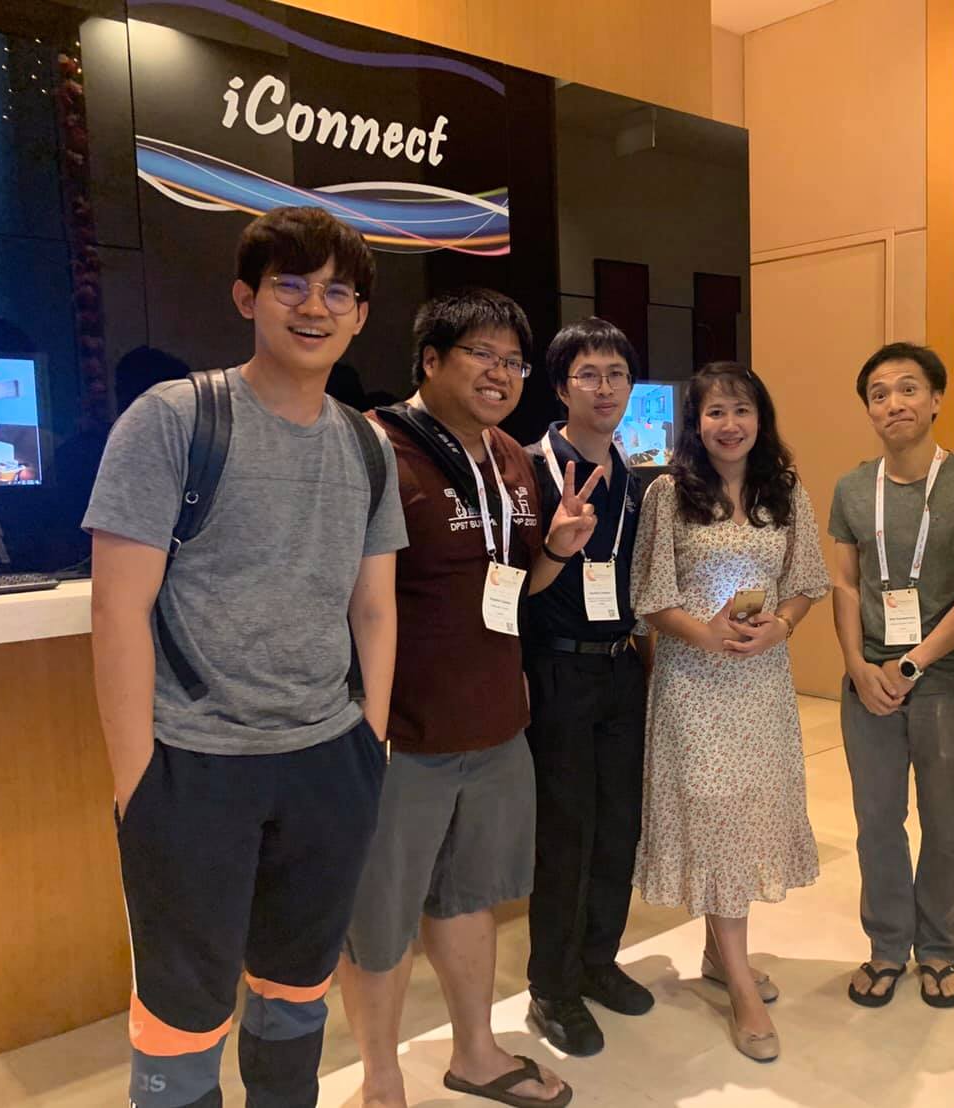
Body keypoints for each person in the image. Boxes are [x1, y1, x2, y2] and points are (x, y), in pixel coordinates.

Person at [83, 206, 407, 1108]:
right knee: (182, 1014)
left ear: (360, 316)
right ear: (246, 297)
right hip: (192, 766)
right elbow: (117, 608)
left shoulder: (366, 444)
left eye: (337, 291)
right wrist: (137, 779)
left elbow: (374, 606)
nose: (314, 306)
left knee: (297, 990)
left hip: (328, 760)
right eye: (290, 284)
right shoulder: (174, 419)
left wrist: (371, 742)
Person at [339, 289, 593, 1108]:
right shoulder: (374, 446)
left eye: (514, 361)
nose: (501, 373)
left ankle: (475, 1054)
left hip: (494, 726)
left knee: (470, 897)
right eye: (481, 353)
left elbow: (516, 587)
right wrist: (364, 727)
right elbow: (347, 597)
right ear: (430, 360)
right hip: (399, 737)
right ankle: (381, 1081)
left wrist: (557, 550)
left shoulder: (509, 456)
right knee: (380, 918)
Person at [630, 361, 829, 1062]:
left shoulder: (786, 491)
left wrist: (783, 626)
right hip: (694, 685)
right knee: (713, 814)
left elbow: (807, 580)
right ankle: (740, 983)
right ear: (695, 422)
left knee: (746, 810)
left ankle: (721, 956)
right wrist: (704, 634)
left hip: (761, 683)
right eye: (715, 411)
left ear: (760, 418)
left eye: (742, 409)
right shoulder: (668, 494)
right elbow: (650, 596)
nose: (729, 423)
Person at [827, 342, 954, 1012]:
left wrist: (913, 662)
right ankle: (889, 944)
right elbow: (843, 582)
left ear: (937, 398)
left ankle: (941, 948)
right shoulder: (851, 488)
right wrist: (857, 667)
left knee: (948, 821)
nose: (895, 403)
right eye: (880, 393)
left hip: (946, 677)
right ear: (869, 409)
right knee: (877, 820)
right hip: (868, 679)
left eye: (909, 388)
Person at [523, 318, 653, 1057]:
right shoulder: (529, 469)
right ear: (560, 387)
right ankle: (553, 985)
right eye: (588, 375)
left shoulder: (637, 478)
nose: (605, 388)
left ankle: (599, 959)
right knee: (565, 833)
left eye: (616, 374)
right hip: (558, 669)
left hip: (621, 665)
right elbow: (514, 586)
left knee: (618, 825)